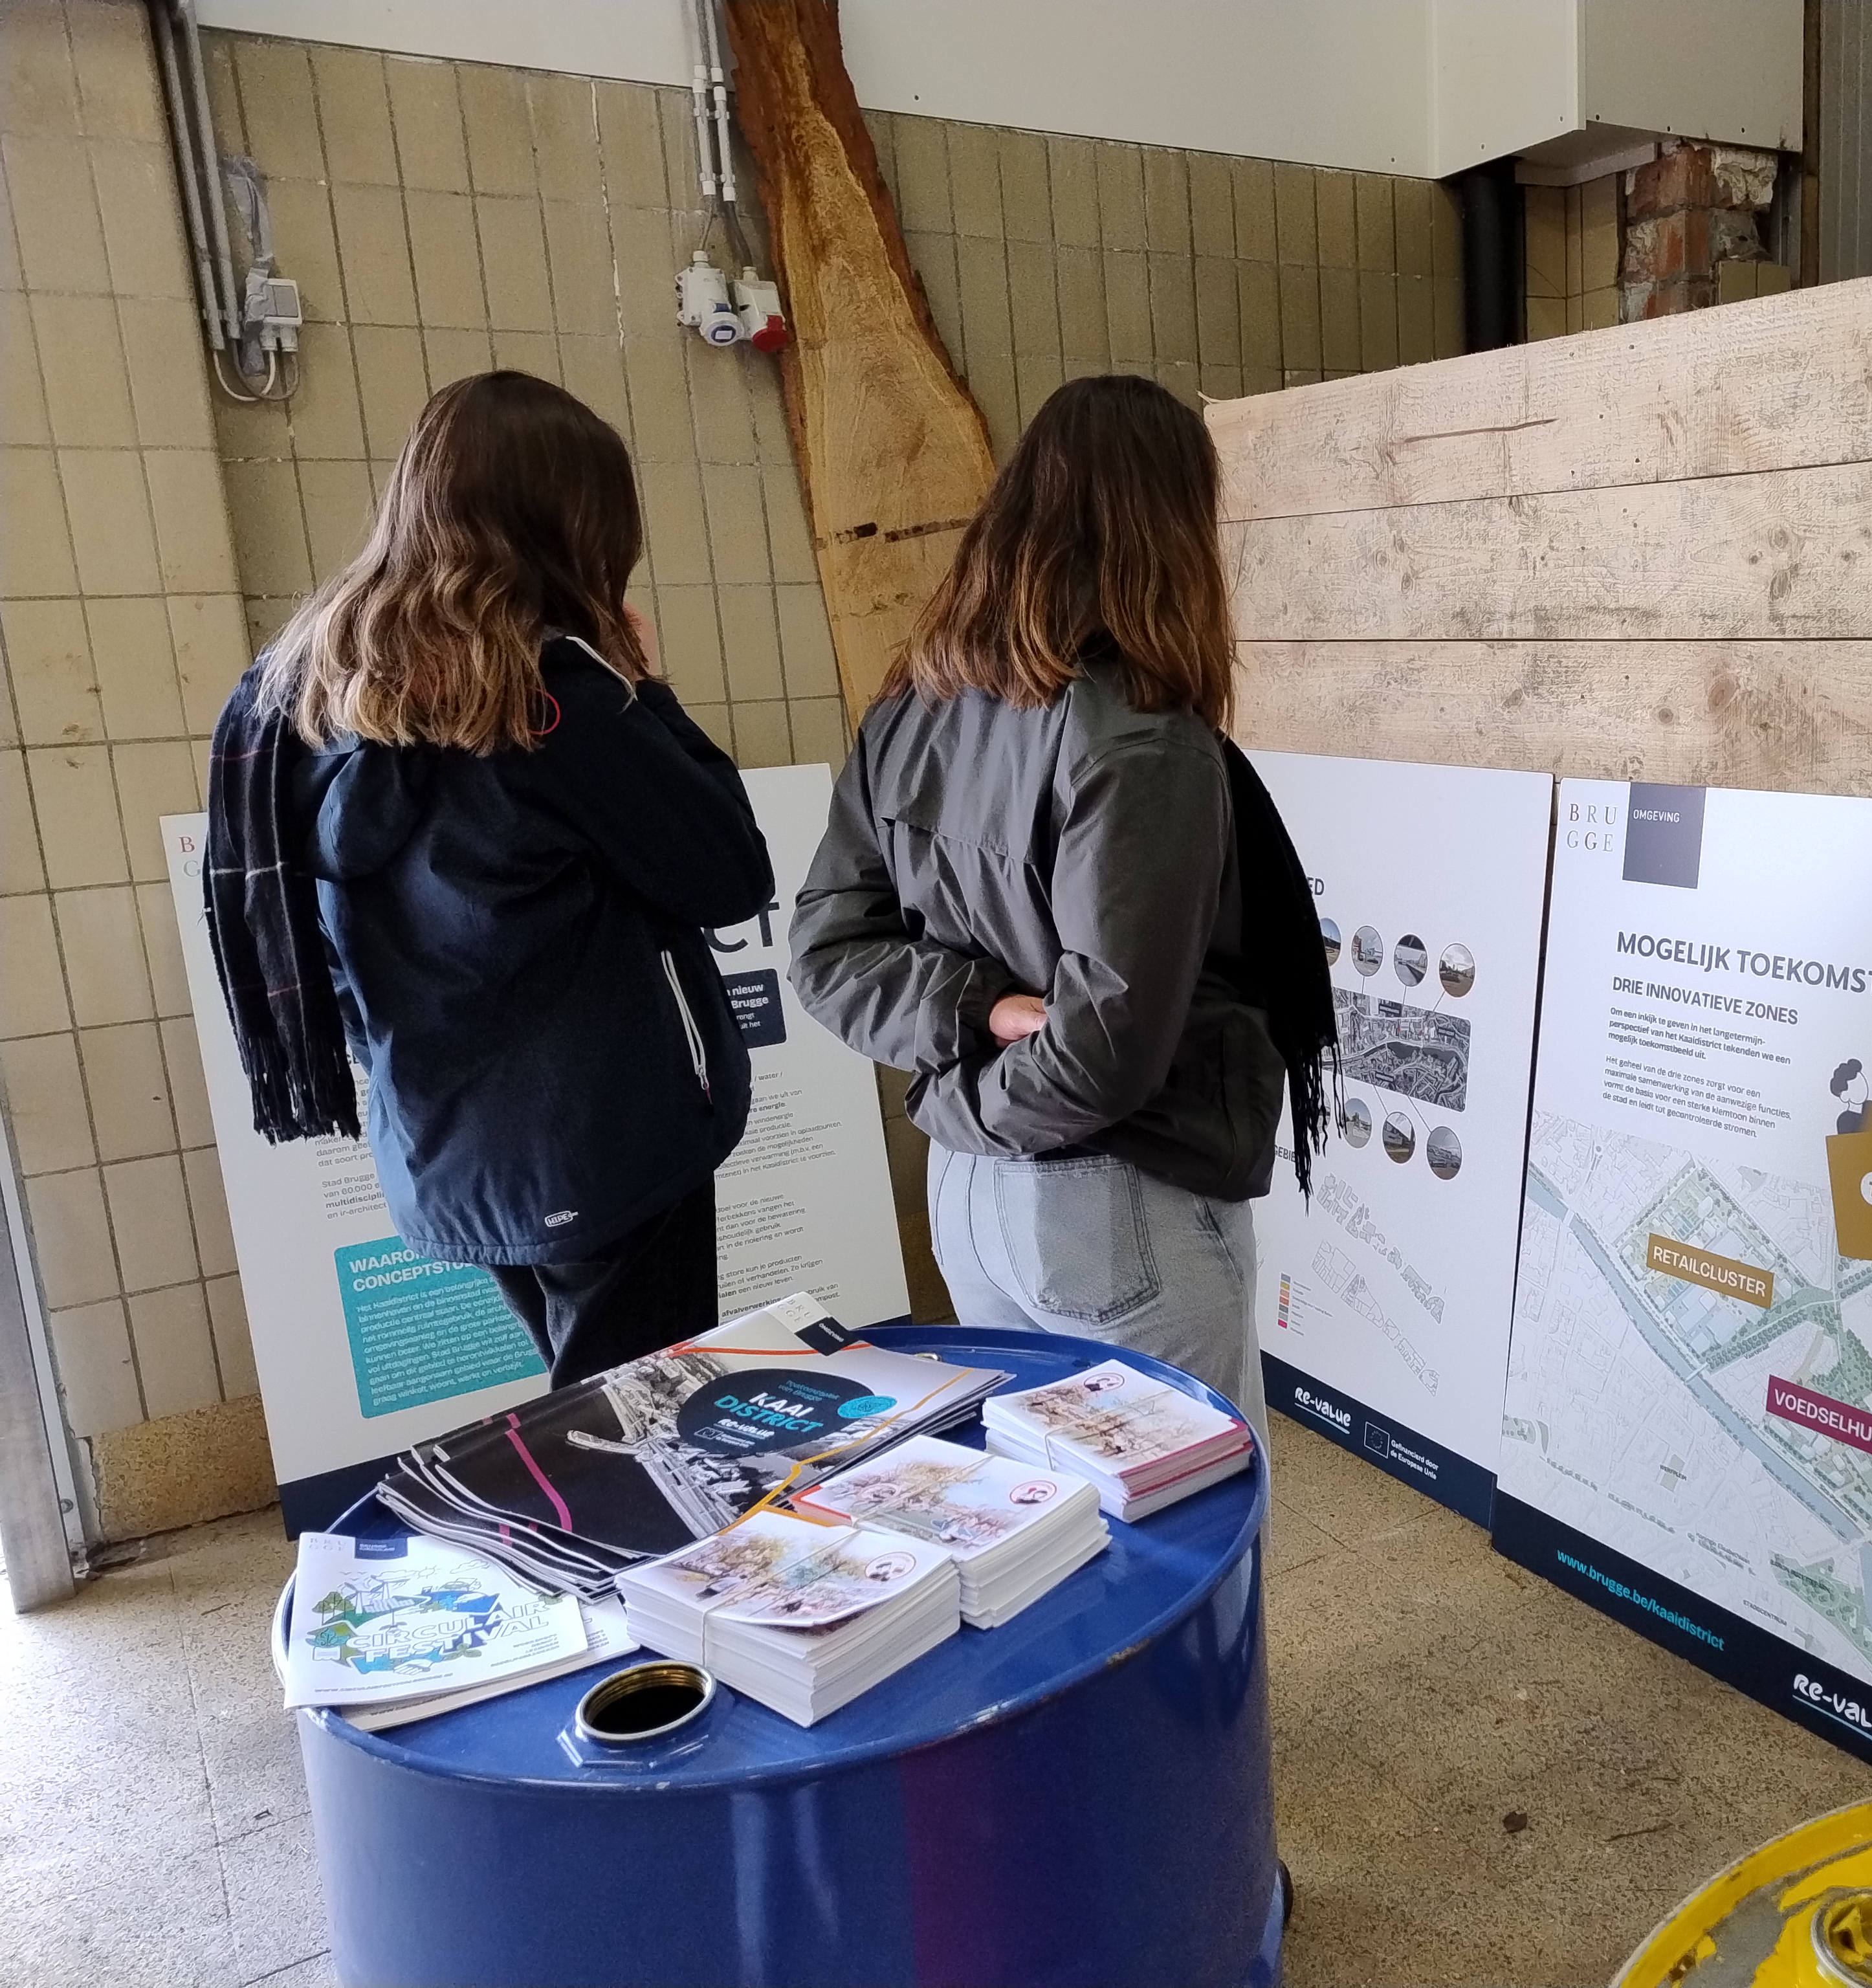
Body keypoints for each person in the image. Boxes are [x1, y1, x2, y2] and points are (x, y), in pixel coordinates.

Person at [789, 375, 1334, 1442]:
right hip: (1118, 1204)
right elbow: (1102, 1054)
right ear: (1171, 525)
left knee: (1057, 1536)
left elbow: (826, 951)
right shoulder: (1141, 737)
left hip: (974, 1205)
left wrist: (964, 1042)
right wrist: (972, 1053)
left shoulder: (910, 709)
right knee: (1186, 1549)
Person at [203, 371, 774, 1386]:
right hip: (602, 1143)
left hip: (444, 1143)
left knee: (593, 1409)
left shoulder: (302, 694)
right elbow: (727, 870)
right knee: (637, 1448)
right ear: (572, 526)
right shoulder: (549, 698)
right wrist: (642, 687)